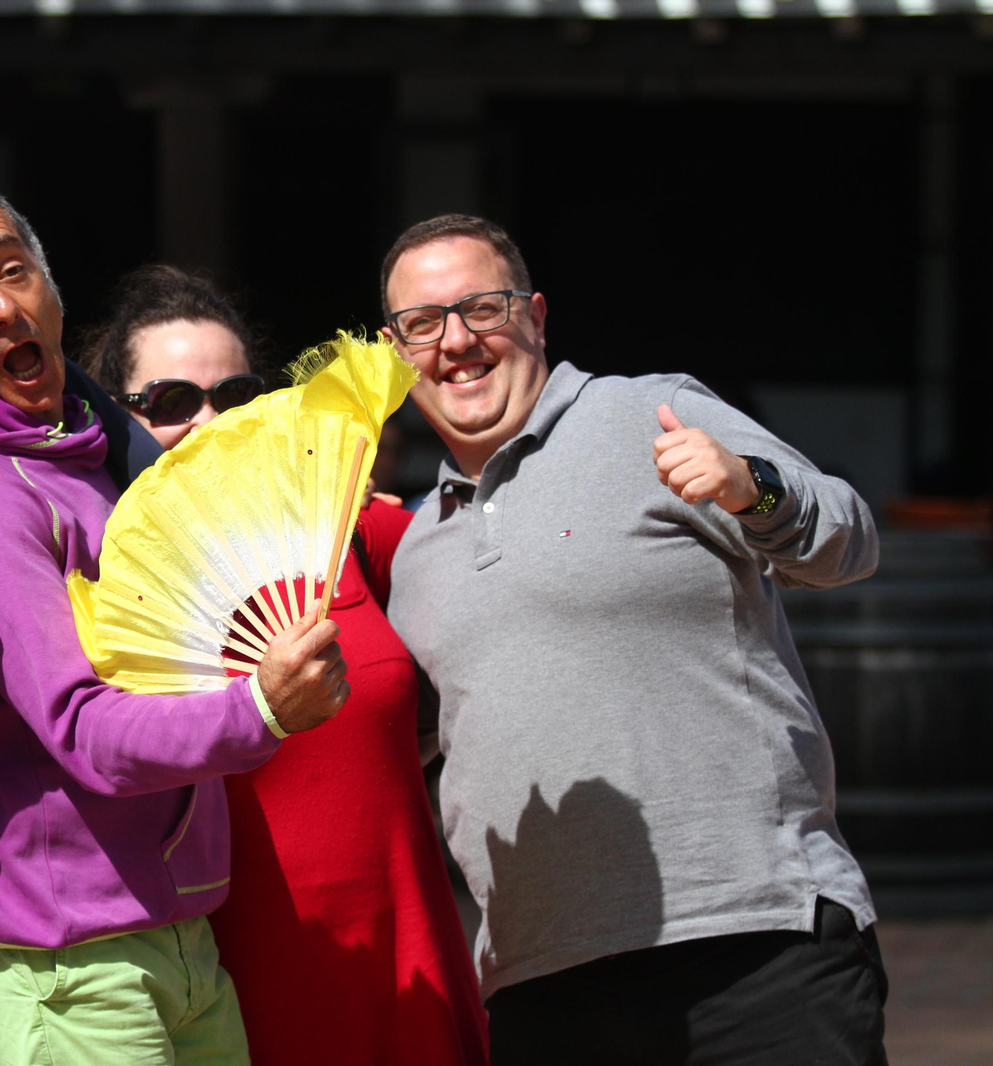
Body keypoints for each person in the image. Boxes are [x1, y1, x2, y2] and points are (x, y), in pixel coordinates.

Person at [379, 214, 887, 1064]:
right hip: (543, 985)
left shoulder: (648, 411)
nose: (456, 342)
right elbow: (391, 744)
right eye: (423, 324)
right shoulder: (417, 549)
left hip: (754, 948)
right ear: (397, 354)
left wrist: (751, 490)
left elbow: (849, 540)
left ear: (536, 315)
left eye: (482, 308)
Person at [0, 184, 349, 1066]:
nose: (2, 308)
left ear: (52, 284)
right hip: (61, 958)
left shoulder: (85, 452)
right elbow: (84, 730)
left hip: (170, 930)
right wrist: (262, 709)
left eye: (12, 270)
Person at [82, 264, 489, 1066]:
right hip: (232, 992)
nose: (209, 422)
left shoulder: (350, 534)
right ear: (118, 416)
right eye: (172, 401)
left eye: (235, 397)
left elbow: (515, 574)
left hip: (406, 972)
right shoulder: (104, 591)